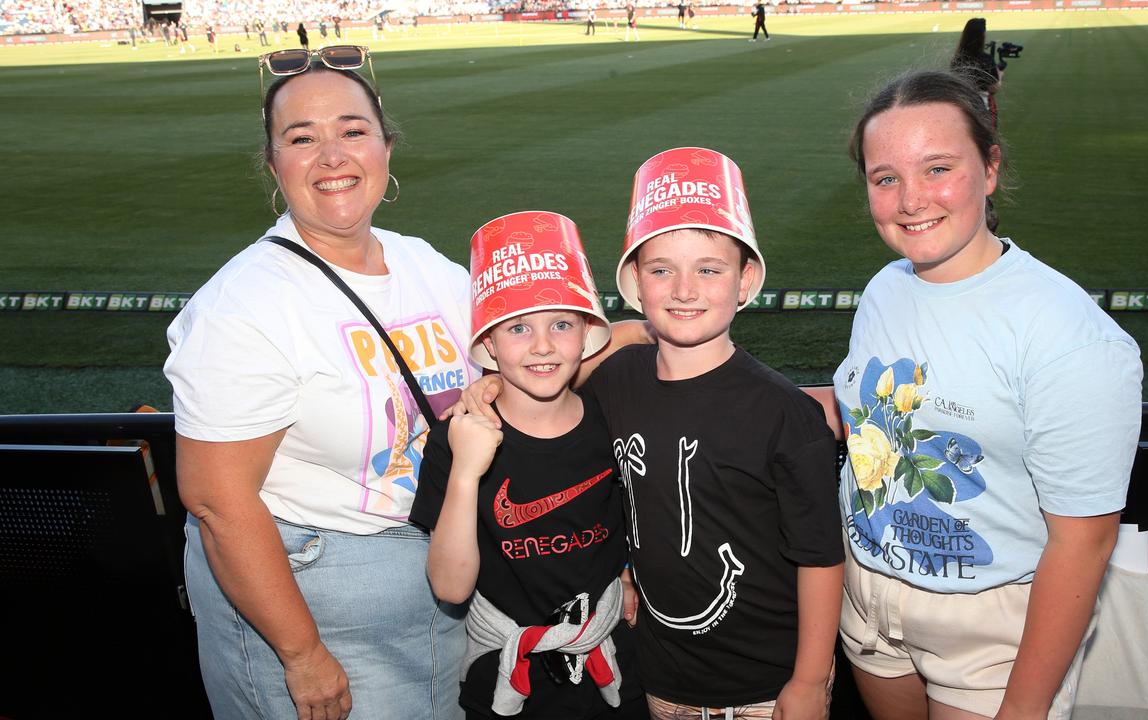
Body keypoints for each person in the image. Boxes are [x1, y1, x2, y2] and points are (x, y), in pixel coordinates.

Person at [460, 148, 845, 719]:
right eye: (661, 269)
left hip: (767, 684)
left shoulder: (785, 415)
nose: (684, 289)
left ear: (747, 280)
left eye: (709, 269)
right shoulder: (616, 382)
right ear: (635, 283)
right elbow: (562, 399)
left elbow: (819, 557)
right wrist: (488, 383)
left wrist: (812, 679)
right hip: (662, 677)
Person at [166, 56, 473, 720]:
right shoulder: (242, 307)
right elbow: (217, 502)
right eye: (302, 137)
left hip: (436, 581)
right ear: (274, 166)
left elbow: (515, 358)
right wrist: (301, 655)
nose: (332, 154)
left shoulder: (423, 264)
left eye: (353, 130)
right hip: (310, 596)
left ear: (386, 148)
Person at [834, 70, 1143, 720]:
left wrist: (1025, 708)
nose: (911, 199)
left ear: (991, 168)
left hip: (991, 625)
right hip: (866, 597)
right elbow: (865, 413)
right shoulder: (885, 288)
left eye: (938, 168)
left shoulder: (1071, 338)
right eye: (885, 177)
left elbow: (1082, 544)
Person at [413, 211, 646, 720]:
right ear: (489, 345)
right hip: (505, 676)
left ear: (585, 332)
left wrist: (623, 572)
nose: (543, 345)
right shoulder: (457, 437)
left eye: (561, 324)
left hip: (611, 666)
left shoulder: (611, 416)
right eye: (518, 328)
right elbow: (450, 588)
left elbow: (645, 332)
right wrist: (466, 472)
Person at [951, 17, 1001, 129]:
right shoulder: (986, 59)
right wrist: (1000, 74)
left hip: (963, 108)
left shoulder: (957, 60)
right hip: (983, 108)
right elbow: (994, 87)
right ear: (982, 36)